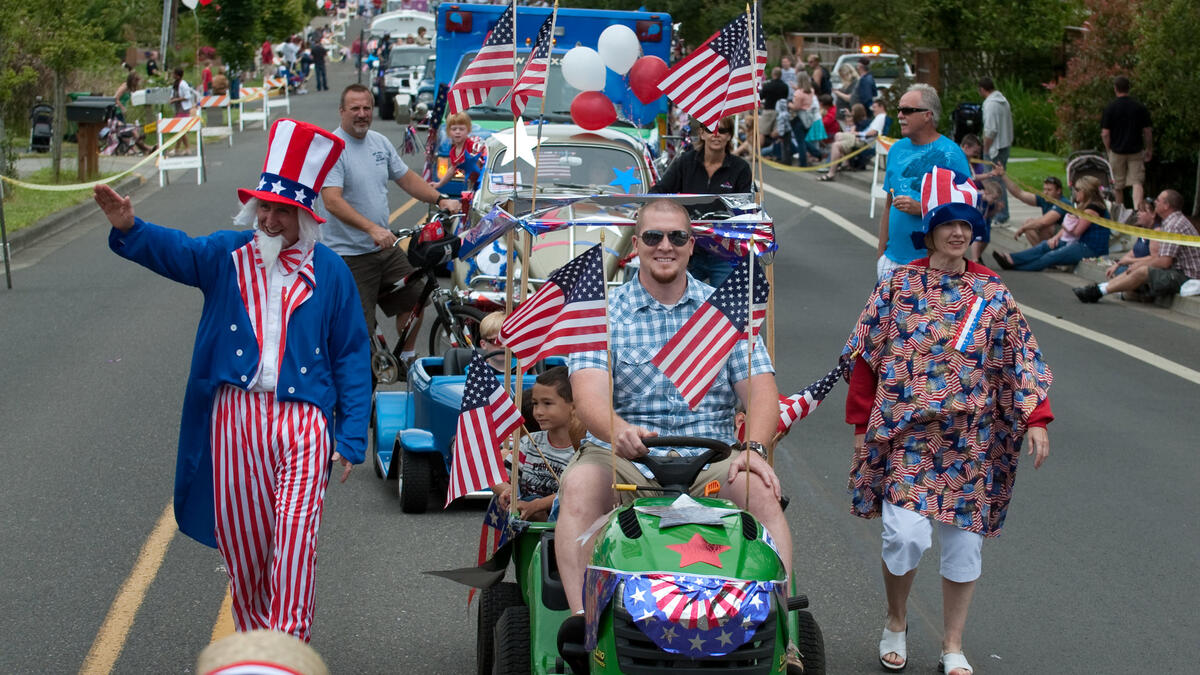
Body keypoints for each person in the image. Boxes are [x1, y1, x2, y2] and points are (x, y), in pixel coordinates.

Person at [95, 118, 370, 642]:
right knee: (244, 547)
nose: (268, 219)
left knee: (294, 538)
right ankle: (252, 637)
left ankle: (283, 649)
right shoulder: (226, 255)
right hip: (235, 418)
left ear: (303, 217)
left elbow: (352, 354)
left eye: (280, 211)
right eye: (263, 207)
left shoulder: (329, 270)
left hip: (305, 421)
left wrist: (351, 436)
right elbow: (175, 251)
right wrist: (130, 227)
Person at [554, 198, 791, 669]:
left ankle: (782, 631)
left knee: (761, 488)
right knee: (579, 485)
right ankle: (585, 627)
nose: (666, 246)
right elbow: (589, 398)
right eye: (654, 237)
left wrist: (756, 449)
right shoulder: (602, 312)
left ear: (691, 244)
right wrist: (616, 429)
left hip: (712, 459)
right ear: (635, 245)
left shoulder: (722, 312)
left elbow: (763, 394)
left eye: (677, 237)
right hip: (624, 457)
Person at [843, 167, 1053, 675]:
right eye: (948, 223)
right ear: (932, 228)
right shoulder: (898, 284)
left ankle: (952, 644)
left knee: (964, 542)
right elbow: (867, 358)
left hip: (971, 440)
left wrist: (1037, 418)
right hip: (907, 435)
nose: (958, 233)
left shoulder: (993, 293)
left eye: (968, 225)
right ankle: (897, 620)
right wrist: (859, 427)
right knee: (906, 535)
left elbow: (1021, 358)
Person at [317, 84, 462, 370]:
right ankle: (362, 385)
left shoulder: (380, 143)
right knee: (357, 328)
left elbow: (406, 178)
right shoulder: (332, 148)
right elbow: (332, 201)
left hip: (384, 248)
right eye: (355, 108)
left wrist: (441, 198)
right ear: (342, 111)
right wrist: (371, 228)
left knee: (414, 300)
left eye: (366, 108)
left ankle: (406, 358)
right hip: (347, 255)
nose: (362, 114)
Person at [876, 84, 972, 280]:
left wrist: (922, 208)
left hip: (934, 265)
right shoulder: (896, 150)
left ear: (928, 115)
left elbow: (966, 210)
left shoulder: (951, 154)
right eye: (899, 110)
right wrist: (881, 254)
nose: (900, 115)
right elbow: (888, 206)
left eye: (907, 110)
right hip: (892, 262)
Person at [650, 115, 752, 287]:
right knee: (676, 302)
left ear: (729, 136)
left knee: (723, 308)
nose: (716, 134)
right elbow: (658, 192)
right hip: (686, 250)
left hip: (724, 253)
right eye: (710, 129)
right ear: (702, 133)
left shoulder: (741, 168)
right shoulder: (685, 162)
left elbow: (745, 212)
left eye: (723, 130)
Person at [1073, 189, 1199, 304]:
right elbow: (1161, 258)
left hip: (1186, 276)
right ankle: (1099, 288)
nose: (1155, 202)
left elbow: (1164, 261)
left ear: (1166, 206)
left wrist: (1139, 265)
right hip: (1177, 271)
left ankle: (1099, 292)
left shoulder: (1173, 225)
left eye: (1158, 200)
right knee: (1136, 269)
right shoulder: (1170, 222)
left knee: (1142, 270)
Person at [491, 366, 582, 522]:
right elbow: (496, 476)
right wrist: (508, 490)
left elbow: (578, 492)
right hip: (528, 526)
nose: (538, 412)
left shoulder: (584, 449)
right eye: (535, 404)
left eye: (547, 403)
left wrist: (537, 505)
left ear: (573, 406)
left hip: (568, 526)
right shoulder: (529, 443)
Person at [992, 175, 1110, 271]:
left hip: (1090, 248)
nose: (1075, 193)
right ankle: (1012, 259)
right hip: (1078, 242)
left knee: (1051, 256)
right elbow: (1020, 194)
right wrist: (1057, 237)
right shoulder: (1084, 206)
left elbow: (1076, 231)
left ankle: (1018, 267)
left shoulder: (1092, 209)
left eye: (1078, 190)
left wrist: (1066, 223)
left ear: (1086, 191)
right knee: (1046, 245)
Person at [1101, 75, 1153, 209]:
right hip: (1135, 150)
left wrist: (1109, 150)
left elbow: (1105, 133)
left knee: (1118, 185)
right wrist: (1148, 149)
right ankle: (1137, 211)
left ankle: (1119, 214)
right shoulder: (1139, 107)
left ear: (1115, 89)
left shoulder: (1110, 108)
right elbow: (1147, 131)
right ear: (1129, 88)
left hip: (1117, 151)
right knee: (1137, 182)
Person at [819, 98, 887, 181]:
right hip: (861, 138)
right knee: (838, 135)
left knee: (836, 144)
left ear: (881, 107)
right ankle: (845, 162)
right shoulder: (878, 117)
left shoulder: (881, 117)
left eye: (875, 107)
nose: (873, 110)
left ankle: (831, 172)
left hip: (863, 140)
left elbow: (873, 132)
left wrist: (858, 133)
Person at [1000, 173, 1069, 246]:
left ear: (1058, 191)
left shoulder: (1063, 203)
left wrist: (1023, 228)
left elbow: (1044, 222)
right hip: (1055, 235)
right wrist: (1003, 176)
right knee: (1029, 223)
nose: (1045, 193)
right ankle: (1041, 253)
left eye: (1049, 190)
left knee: (1044, 227)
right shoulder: (1045, 199)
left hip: (1068, 236)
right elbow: (1019, 193)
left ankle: (1043, 253)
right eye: (1044, 189)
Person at [430, 111, 486, 201]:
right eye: (454, 129)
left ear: (468, 130)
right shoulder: (453, 151)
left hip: (481, 184)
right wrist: (439, 184)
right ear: (448, 131)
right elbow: (452, 170)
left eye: (461, 129)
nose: (457, 132)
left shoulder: (472, 146)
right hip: (470, 184)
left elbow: (480, 165)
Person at [978, 76, 1012, 223]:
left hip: (995, 148)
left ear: (982, 89)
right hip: (1005, 144)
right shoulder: (1003, 101)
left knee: (993, 181)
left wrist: (985, 149)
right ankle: (999, 212)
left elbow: (991, 130)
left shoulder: (991, 104)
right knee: (999, 179)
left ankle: (1000, 214)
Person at [760, 67, 789, 149]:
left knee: (762, 132)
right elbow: (785, 98)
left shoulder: (768, 86)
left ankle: (757, 154)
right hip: (780, 112)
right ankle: (773, 150)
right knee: (776, 132)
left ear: (773, 74)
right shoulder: (785, 86)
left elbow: (760, 97)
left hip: (768, 110)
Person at [168, 67, 195, 155]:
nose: (172, 75)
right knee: (179, 129)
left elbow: (187, 96)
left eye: (174, 74)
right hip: (177, 108)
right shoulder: (175, 84)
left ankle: (187, 148)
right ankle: (177, 149)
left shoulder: (183, 84)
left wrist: (175, 100)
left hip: (183, 108)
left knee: (181, 129)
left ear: (177, 75)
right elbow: (173, 94)